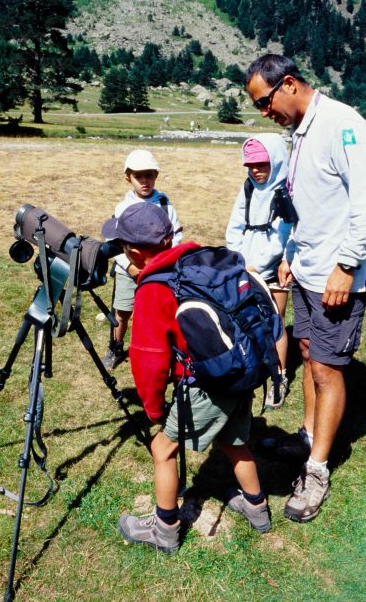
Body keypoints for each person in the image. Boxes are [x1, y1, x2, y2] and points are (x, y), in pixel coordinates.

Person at [244, 54, 366, 522]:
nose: (264, 113)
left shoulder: (343, 123)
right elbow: (308, 205)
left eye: (265, 102)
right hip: (306, 269)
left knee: (326, 368)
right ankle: (306, 439)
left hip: (336, 277)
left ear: (288, 84)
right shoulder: (299, 131)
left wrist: (346, 266)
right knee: (307, 351)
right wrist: (289, 253)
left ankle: (318, 469)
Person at [106, 204, 271, 553]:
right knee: (234, 443)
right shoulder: (198, 260)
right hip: (238, 372)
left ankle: (164, 528)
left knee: (161, 449)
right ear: (169, 237)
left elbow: (148, 361)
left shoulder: (153, 289)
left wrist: (153, 411)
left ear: (133, 251)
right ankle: (257, 509)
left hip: (203, 386)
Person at [224, 133, 294, 408]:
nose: (255, 170)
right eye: (251, 165)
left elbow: (286, 231)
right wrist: (240, 259)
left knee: (276, 321)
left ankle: (279, 377)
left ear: (275, 161)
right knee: (248, 316)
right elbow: (235, 224)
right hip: (247, 264)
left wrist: (264, 263)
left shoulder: (286, 189)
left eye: (262, 164)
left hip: (274, 267)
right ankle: (252, 368)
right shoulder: (249, 188)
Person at [103, 149, 183, 370]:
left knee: (156, 314)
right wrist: (128, 265)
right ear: (128, 177)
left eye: (149, 175)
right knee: (122, 311)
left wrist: (165, 264)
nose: (144, 181)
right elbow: (114, 241)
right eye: (138, 176)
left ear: (156, 175)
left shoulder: (166, 207)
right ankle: (115, 347)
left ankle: (159, 349)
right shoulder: (122, 208)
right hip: (129, 272)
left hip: (159, 272)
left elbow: (176, 237)